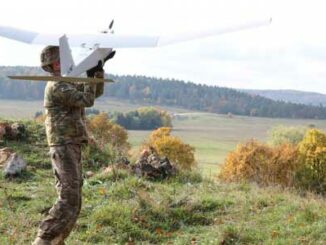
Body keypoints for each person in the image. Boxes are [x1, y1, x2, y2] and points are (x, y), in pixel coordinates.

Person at [33, 46, 109, 245]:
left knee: (74, 198)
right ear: (54, 64)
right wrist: (91, 72)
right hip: (63, 144)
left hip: (71, 143)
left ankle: (56, 240)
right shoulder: (57, 86)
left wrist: (98, 70)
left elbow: (95, 92)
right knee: (69, 198)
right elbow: (87, 99)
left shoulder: (66, 82)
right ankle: (44, 239)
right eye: (62, 59)